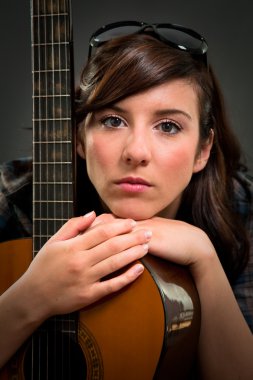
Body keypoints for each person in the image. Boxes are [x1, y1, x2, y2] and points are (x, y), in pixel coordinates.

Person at [0, 21, 253, 379]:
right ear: (79, 137)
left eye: (168, 126)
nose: (136, 152)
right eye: (113, 120)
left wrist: (204, 256)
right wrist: (30, 298)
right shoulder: (14, 198)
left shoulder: (243, 209)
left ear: (203, 150)